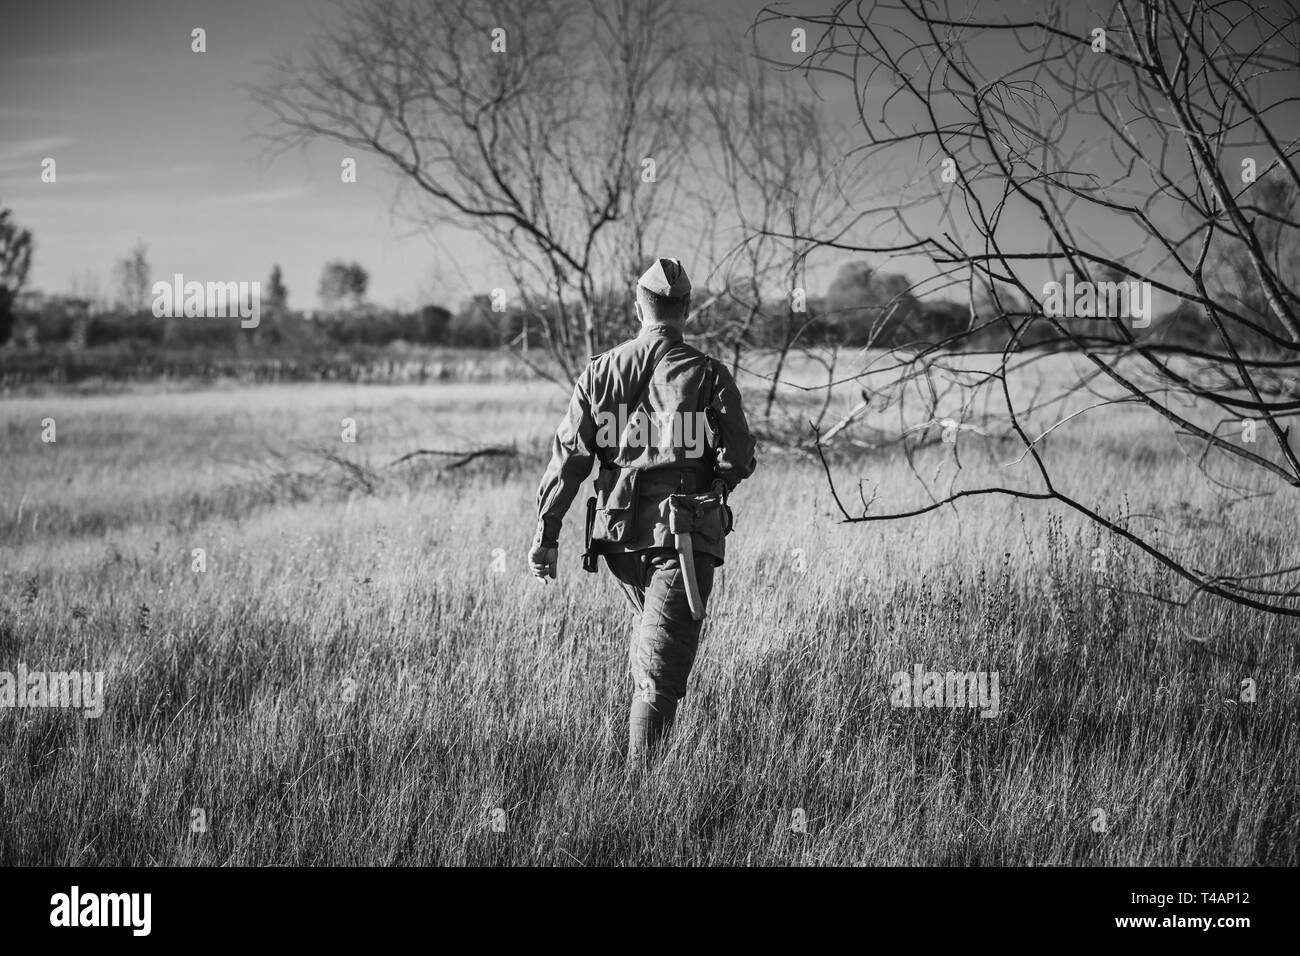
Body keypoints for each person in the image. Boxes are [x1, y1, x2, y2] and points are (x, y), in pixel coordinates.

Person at [529, 257, 757, 765]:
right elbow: (740, 454)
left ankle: (639, 776)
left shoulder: (599, 371)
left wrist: (546, 536)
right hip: (681, 537)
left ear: (639, 307)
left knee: (655, 646)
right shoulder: (708, 373)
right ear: (687, 310)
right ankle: (636, 797)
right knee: (660, 673)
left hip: (618, 539)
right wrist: (718, 481)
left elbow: (569, 460)